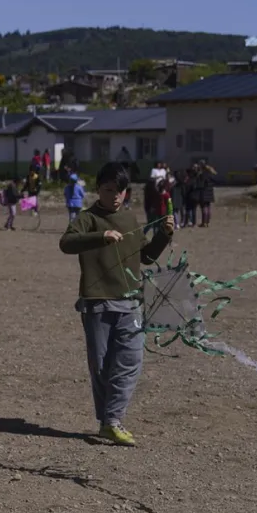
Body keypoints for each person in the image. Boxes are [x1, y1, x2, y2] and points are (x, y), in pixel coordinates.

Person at [59, 162, 174, 446]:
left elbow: (145, 258)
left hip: (131, 303)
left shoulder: (131, 219)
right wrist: (101, 236)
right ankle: (106, 421)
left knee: (131, 361)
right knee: (101, 366)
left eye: (120, 191)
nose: (115, 196)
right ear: (98, 190)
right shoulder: (88, 218)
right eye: (109, 190)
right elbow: (67, 243)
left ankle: (113, 420)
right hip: (97, 304)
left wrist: (164, 235)